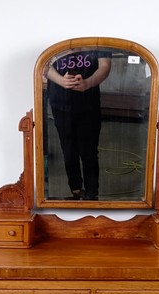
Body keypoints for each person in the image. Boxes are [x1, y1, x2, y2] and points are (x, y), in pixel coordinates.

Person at [46, 49, 111, 200]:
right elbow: (42, 63)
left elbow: (105, 65)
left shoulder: (96, 35)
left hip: (88, 103)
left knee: (89, 152)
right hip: (60, 102)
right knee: (68, 149)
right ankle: (75, 191)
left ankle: (91, 195)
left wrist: (88, 83)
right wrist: (60, 80)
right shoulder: (52, 32)